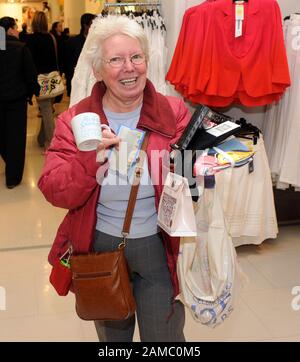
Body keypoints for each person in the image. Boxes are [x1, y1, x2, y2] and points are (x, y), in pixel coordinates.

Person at [38, 16, 191, 342]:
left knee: (163, 338)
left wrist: (201, 171)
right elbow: (54, 189)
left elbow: (189, 184)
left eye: (137, 57)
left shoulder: (173, 112)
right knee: (113, 342)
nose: (129, 68)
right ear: (97, 70)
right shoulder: (76, 119)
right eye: (116, 60)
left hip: (156, 246)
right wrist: (90, 161)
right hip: (99, 246)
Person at [0, 16, 39, 188]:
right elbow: (30, 75)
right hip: (16, 99)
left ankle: (10, 161)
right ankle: (13, 177)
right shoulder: (21, 48)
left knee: (1, 135)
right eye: (15, 27)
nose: (17, 31)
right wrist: (33, 92)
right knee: (16, 137)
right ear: (9, 30)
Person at [27, 11, 58, 149]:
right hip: (51, 79)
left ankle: (51, 143)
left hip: (39, 80)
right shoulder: (51, 37)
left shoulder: (30, 40)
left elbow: (30, 62)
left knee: (46, 110)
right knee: (47, 109)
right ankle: (41, 138)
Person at [65, 13, 96, 96]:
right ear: (85, 25)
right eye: (93, 24)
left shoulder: (98, 41)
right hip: (80, 83)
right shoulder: (73, 42)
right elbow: (69, 67)